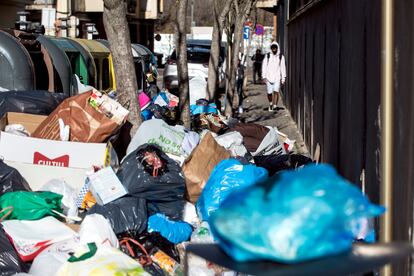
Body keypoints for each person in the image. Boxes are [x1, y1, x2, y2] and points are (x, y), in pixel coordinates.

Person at [262, 42, 286, 111]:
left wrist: (283, 78)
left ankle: (275, 105)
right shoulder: (268, 56)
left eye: (275, 48)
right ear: (271, 48)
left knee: (276, 91)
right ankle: (270, 104)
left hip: (277, 77)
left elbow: (283, 67)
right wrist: (264, 76)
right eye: (272, 48)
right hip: (269, 77)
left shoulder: (281, 56)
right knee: (269, 92)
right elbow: (264, 66)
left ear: (277, 48)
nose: (274, 49)